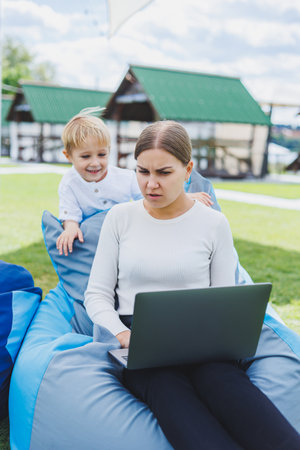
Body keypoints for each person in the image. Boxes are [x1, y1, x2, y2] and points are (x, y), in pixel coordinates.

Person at [84, 121, 300, 450]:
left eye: (163, 173)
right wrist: (124, 335)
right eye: (142, 171)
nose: (150, 184)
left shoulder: (213, 223)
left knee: (226, 385)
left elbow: (225, 299)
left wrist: (220, 341)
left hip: (203, 341)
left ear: (188, 170)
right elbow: (96, 294)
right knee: (171, 394)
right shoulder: (120, 218)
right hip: (139, 342)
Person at [56, 108, 212, 256]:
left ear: (109, 151)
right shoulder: (69, 183)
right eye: (85, 156)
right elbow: (69, 212)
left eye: (102, 154)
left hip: (122, 234)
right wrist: (71, 228)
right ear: (68, 156)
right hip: (93, 239)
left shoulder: (124, 177)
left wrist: (184, 198)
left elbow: (148, 198)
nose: (95, 163)